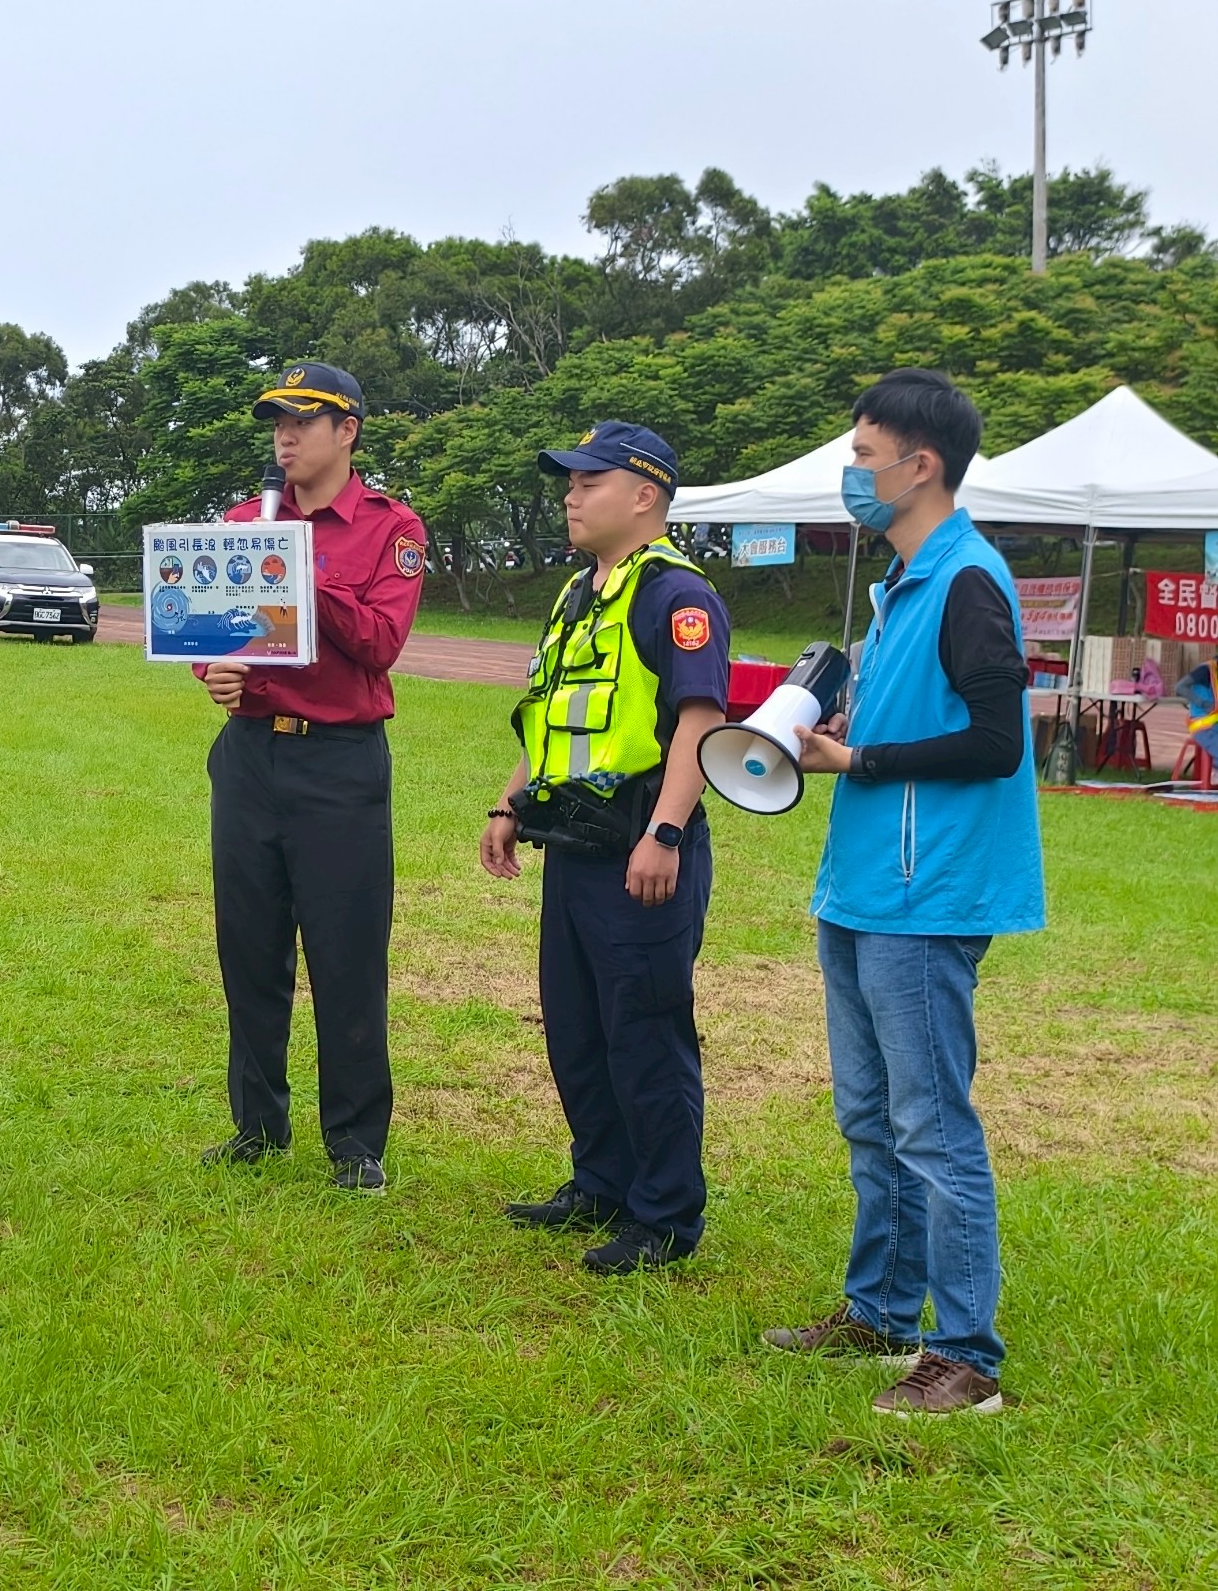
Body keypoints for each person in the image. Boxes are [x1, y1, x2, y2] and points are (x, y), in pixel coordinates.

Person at [767, 369, 1041, 1416]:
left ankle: (966, 1355)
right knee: (871, 1115)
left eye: (863, 457)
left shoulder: (969, 578)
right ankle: (880, 1311)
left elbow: (994, 740)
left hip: (927, 900)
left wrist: (860, 759)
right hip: (865, 889)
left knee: (932, 1125)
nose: (851, 475)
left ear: (920, 466)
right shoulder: (906, 582)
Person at [479, 421, 729, 1272]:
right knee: (578, 1027)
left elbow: (701, 720)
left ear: (644, 495)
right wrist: (508, 801)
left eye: (589, 481)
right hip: (574, 846)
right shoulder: (581, 592)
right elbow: (548, 711)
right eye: (569, 481)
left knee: (646, 1033)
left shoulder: (675, 596)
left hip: (641, 850)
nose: (570, 494)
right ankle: (601, 1180)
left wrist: (665, 831)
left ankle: (663, 1215)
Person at [195, 361, 427, 1193]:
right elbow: (213, 633)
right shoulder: (239, 520)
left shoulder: (389, 528)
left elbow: (378, 641)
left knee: (346, 951)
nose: (285, 436)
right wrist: (215, 674)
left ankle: (356, 1141)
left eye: (303, 420)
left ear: (348, 430)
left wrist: (293, 566)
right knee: (248, 946)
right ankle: (257, 1124)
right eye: (277, 422)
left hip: (340, 762)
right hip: (253, 754)